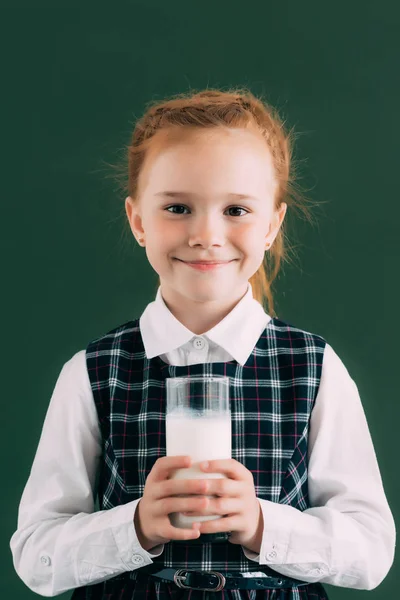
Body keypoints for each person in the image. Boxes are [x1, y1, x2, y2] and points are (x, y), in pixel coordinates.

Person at [10, 87, 396, 600]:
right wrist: (136, 527)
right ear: (138, 221)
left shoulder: (314, 368)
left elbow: (371, 553)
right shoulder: (93, 372)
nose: (205, 235)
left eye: (236, 209)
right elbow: (36, 555)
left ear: (271, 226)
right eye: (177, 207)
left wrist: (263, 524)